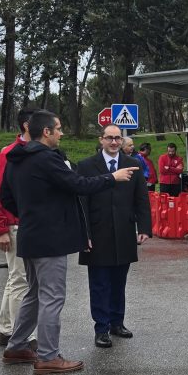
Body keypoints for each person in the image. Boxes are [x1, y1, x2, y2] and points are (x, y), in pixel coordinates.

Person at [0, 110, 138, 374]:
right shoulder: (46, 159)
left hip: (30, 234)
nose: (62, 133)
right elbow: (77, 184)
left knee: (34, 293)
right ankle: (49, 356)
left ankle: (16, 346)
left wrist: (31, 214)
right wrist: (112, 178)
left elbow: (6, 197)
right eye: (59, 128)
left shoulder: (15, 158)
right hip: (50, 238)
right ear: (46, 132)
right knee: (52, 297)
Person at [77, 125, 152, 348]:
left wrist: (144, 228)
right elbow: (81, 202)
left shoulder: (134, 164)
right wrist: (84, 234)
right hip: (97, 234)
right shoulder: (87, 166)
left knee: (119, 282)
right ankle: (101, 328)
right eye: (109, 138)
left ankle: (117, 323)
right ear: (101, 140)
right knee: (100, 283)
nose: (113, 142)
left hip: (124, 232)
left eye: (117, 138)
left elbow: (141, 199)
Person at [0, 108, 37, 348]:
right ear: (28, 125)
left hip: (24, 225)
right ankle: (23, 336)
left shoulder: (31, 152)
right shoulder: (9, 154)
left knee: (15, 279)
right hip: (15, 226)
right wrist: (1, 228)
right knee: (22, 281)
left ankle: (7, 330)